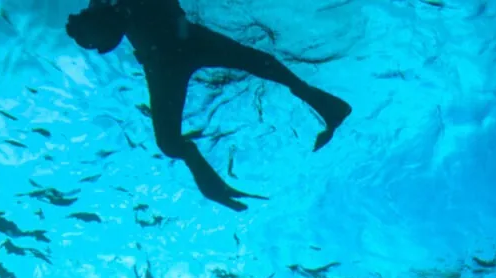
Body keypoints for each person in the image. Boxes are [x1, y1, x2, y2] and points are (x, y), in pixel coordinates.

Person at [66, 0, 351, 210]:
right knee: (168, 142)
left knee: (259, 62)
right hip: (163, 60)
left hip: (180, 43)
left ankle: (324, 103)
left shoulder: (107, 7)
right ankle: (210, 182)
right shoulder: (104, 12)